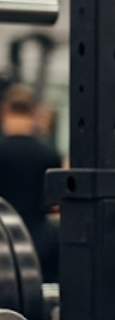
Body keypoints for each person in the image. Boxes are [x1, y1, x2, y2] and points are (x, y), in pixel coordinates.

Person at [0, 83, 62, 280]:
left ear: (5, 111)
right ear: (33, 112)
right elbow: (52, 204)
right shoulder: (49, 156)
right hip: (37, 241)